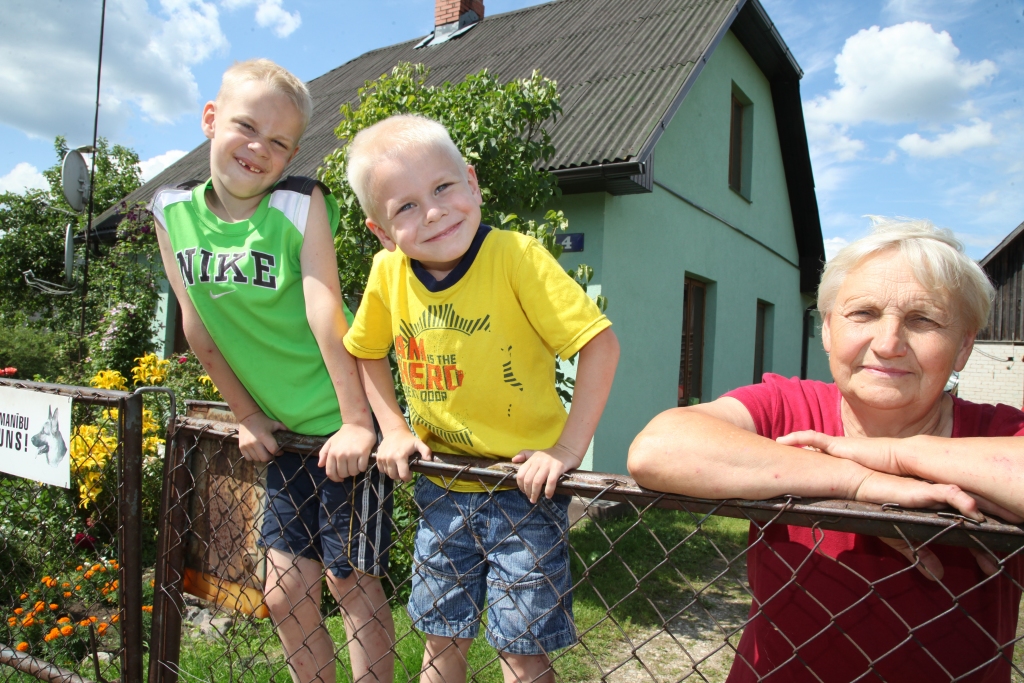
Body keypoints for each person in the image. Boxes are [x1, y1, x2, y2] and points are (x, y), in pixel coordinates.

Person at [628, 218, 1024, 683]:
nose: (889, 343)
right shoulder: (786, 407)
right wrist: (857, 481)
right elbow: (656, 449)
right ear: (829, 331)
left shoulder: (998, 429)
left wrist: (900, 457)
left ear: (963, 348)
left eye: (924, 320)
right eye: (864, 314)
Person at [341, 114, 620, 683]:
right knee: (441, 645)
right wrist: (392, 428)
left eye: (443, 188)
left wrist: (567, 449)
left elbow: (601, 346)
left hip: (524, 490)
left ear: (472, 182)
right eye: (407, 207)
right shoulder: (387, 273)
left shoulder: (515, 256)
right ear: (380, 231)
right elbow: (365, 350)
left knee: (521, 652)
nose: (434, 212)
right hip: (441, 485)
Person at [151, 59, 394, 683]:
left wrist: (357, 422)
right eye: (246, 126)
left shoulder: (299, 203)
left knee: (352, 586)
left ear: (291, 157)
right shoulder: (169, 211)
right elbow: (197, 325)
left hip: (346, 423)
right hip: (286, 436)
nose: (259, 148)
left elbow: (323, 308)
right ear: (210, 120)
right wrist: (248, 415)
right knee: (284, 595)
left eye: (279, 142)